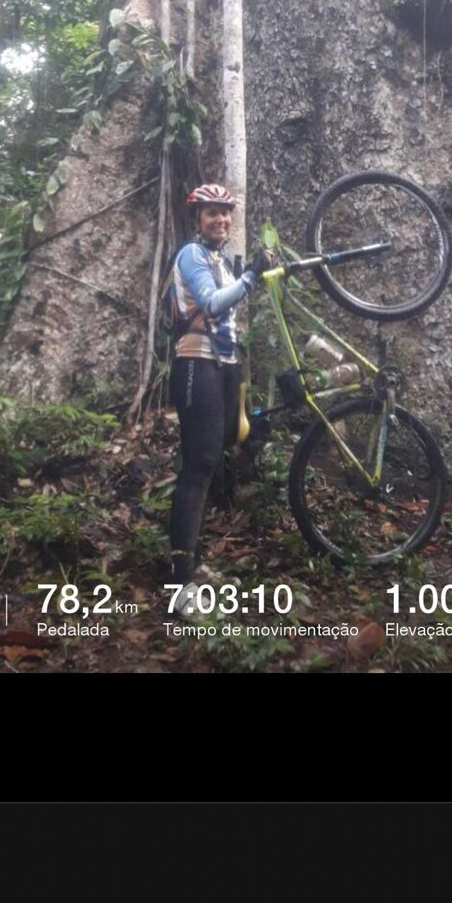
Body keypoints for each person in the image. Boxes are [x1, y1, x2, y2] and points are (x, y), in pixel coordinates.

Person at [168, 183, 274, 615]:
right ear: (199, 218)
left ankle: (191, 564)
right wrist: (249, 276)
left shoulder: (221, 262)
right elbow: (211, 304)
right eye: (212, 213)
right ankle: (179, 583)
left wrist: (255, 274)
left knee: (239, 437)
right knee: (199, 464)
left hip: (226, 365)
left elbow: (235, 300)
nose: (221, 220)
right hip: (197, 362)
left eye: (226, 213)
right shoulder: (191, 255)